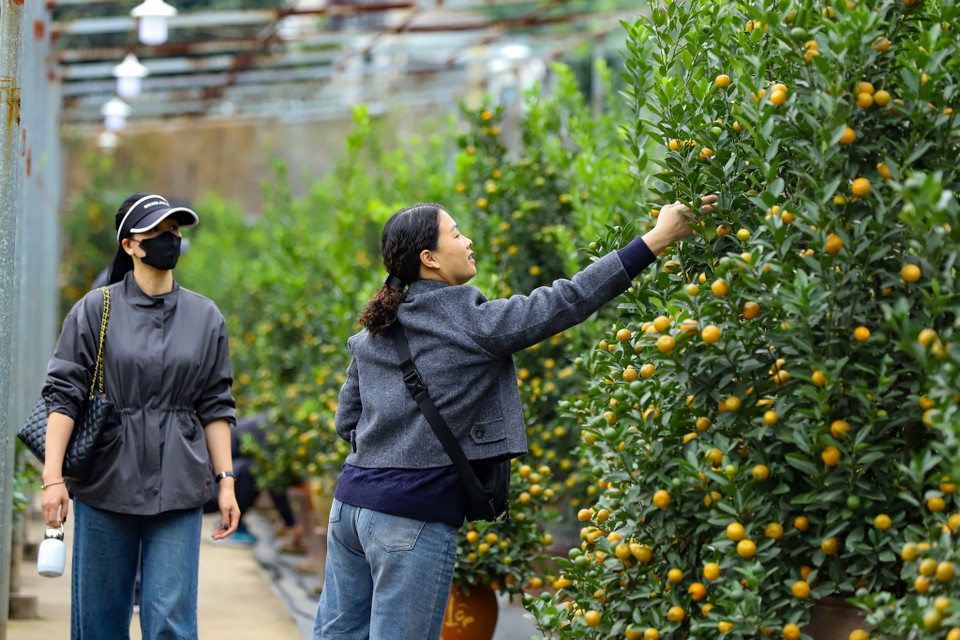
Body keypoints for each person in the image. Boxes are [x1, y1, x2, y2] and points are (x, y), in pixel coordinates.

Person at [313, 195, 717, 640]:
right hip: (412, 515)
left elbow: (345, 422)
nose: (467, 242)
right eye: (456, 234)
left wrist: (394, 444)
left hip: (349, 507)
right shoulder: (472, 324)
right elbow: (569, 299)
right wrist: (657, 238)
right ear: (429, 259)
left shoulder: (373, 334)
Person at [39, 192, 241, 640]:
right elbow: (64, 395)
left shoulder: (205, 317)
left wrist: (225, 481)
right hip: (105, 482)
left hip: (179, 485)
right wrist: (53, 479)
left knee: (170, 621)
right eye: (158, 231)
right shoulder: (95, 309)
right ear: (129, 244)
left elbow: (215, 404)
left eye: (175, 231)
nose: (169, 239)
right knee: (99, 622)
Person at [204, 413, 306, 549]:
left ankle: (235, 524)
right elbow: (274, 484)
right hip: (209, 493)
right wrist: (291, 524)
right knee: (254, 469)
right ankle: (226, 527)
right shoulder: (270, 434)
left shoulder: (269, 424)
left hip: (212, 487)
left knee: (255, 469)